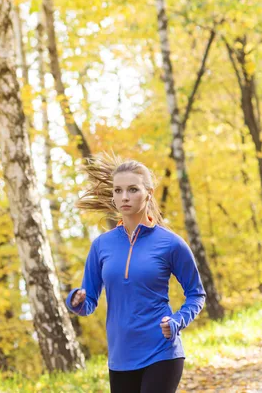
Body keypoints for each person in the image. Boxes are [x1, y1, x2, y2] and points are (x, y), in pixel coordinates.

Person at [66, 156, 206, 393]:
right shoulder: (102, 245)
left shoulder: (170, 244)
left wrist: (177, 321)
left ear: (148, 193)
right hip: (120, 358)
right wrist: (77, 300)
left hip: (162, 352)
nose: (124, 197)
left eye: (132, 189)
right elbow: (89, 302)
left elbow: (196, 294)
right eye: (118, 190)